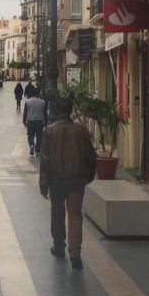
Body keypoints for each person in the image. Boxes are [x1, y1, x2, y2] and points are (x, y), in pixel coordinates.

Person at [39, 97, 97, 269]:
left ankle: (58, 245)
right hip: (76, 180)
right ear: (70, 110)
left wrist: (43, 183)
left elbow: (45, 160)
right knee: (75, 214)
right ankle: (75, 252)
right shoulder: (81, 131)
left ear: (56, 110)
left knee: (57, 212)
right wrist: (88, 176)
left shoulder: (49, 131)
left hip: (56, 180)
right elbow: (90, 156)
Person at [22, 87, 47, 156]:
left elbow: (25, 112)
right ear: (38, 94)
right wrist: (46, 122)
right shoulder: (43, 102)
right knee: (39, 136)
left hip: (30, 121)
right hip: (39, 121)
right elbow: (45, 113)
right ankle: (38, 150)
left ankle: (32, 145)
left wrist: (24, 121)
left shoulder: (28, 101)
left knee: (30, 135)